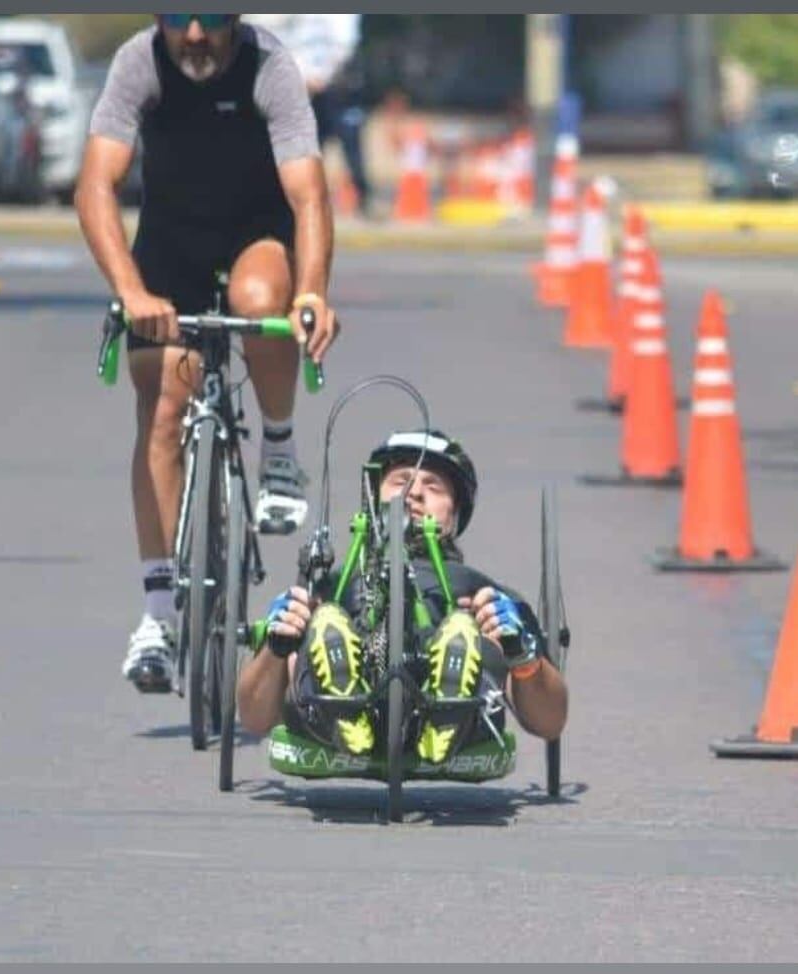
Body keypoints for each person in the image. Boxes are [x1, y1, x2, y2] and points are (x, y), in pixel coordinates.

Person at [75, 14, 338, 693]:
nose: (194, 34)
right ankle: (159, 614)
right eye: (176, 18)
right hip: (170, 248)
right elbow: (95, 183)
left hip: (256, 236)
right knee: (162, 406)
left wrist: (310, 293)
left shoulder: (269, 66)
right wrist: (131, 292)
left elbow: (308, 194)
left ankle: (278, 452)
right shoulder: (139, 62)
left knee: (260, 306)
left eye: (213, 18)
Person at [237, 429, 569, 766]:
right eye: (400, 481)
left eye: (433, 485)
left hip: (464, 708)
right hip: (336, 703)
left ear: (455, 513)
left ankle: (447, 712)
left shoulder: (483, 593)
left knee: (478, 637)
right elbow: (254, 719)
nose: (414, 493)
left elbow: (550, 722)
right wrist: (277, 646)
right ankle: (345, 708)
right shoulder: (331, 586)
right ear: (373, 498)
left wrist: (521, 655)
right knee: (316, 627)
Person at [245, 14, 371, 217]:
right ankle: (302, 197)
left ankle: (362, 200)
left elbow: (345, 44)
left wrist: (324, 76)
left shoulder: (340, 20)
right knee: (308, 150)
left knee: (351, 148)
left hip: (338, 91)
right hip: (308, 91)